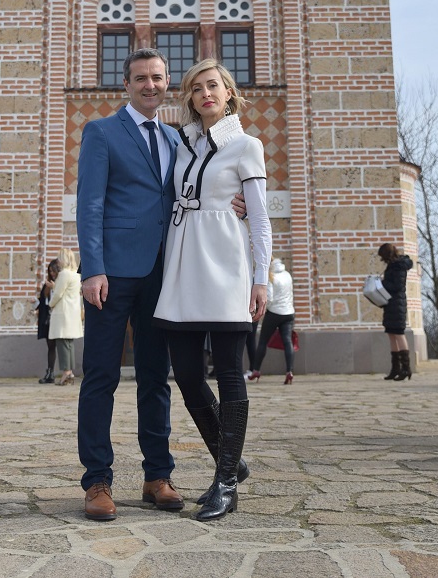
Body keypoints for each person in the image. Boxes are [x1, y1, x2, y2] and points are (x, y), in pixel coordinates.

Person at [76, 47, 249, 521]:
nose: (149, 85)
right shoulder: (102, 132)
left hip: (166, 273)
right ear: (126, 84)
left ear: (166, 83)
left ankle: (158, 475)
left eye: (157, 77)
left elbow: (206, 181)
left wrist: (240, 201)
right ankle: (97, 481)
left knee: (156, 378)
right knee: (101, 377)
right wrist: (93, 269)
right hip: (112, 275)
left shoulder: (179, 138)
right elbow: (89, 204)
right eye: (140, 78)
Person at [153, 59, 272, 521]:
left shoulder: (247, 146)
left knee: (229, 373)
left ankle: (225, 482)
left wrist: (261, 277)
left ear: (228, 93)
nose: (205, 93)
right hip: (184, 267)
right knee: (186, 375)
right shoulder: (182, 145)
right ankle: (232, 459)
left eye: (213, 86)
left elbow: (258, 217)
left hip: (227, 267)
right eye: (196, 87)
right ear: (189, 97)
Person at [246, 258, 296, 384]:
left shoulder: (270, 277)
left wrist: (262, 308)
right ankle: (289, 371)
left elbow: (269, 298)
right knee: (288, 341)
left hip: (274, 313)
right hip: (289, 312)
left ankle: (256, 370)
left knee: (263, 341)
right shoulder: (287, 275)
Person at [377, 242, 414, 381]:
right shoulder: (394, 265)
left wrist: (382, 283)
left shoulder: (399, 266)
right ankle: (395, 368)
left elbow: (397, 286)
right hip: (391, 304)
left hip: (397, 304)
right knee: (391, 334)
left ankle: (406, 368)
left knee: (399, 334)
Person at [48, 248, 83, 386]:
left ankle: (66, 372)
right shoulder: (76, 274)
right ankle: (70, 371)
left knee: (62, 343)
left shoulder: (64, 274)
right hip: (73, 312)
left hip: (63, 312)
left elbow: (58, 293)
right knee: (69, 344)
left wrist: (50, 304)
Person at [35, 259, 60, 384]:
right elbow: (42, 301)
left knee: (62, 346)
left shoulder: (60, 283)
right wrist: (35, 304)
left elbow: (61, 297)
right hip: (48, 320)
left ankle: (66, 372)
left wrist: (54, 287)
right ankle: (50, 372)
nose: (52, 274)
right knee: (51, 346)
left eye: (54, 271)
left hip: (58, 318)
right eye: (50, 271)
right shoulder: (47, 285)